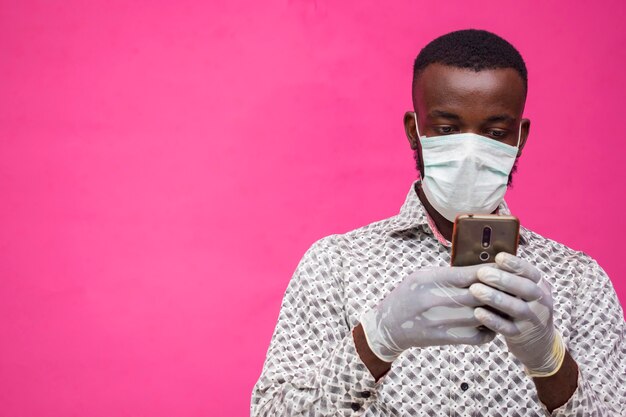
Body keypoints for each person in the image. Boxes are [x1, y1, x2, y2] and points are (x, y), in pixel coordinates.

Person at [250, 29, 626, 416]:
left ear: (520, 137)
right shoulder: (337, 265)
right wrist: (377, 339)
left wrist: (551, 362)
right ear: (415, 130)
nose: (470, 151)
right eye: (446, 129)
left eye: (495, 133)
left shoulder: (578, 281)